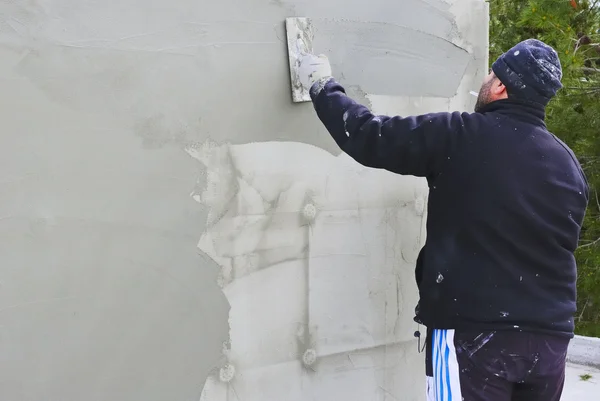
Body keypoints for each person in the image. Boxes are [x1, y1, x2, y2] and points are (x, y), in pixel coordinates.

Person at [296, 39, 590, 401]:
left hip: (476, 334)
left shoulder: (460, 135)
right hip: (549, 342)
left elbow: (370, 136)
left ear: (499, 86)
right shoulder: (567, 164)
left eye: (490, 74)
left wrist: (322, 86)